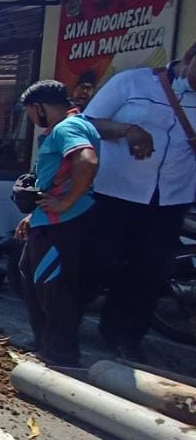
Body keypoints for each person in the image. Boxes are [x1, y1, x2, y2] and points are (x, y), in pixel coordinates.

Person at [83, 41, 196, 361]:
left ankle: (125, 337)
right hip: (117, 193)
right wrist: (127, 129)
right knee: (100, 259)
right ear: (188, 58)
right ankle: (63, 323)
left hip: (172, 198)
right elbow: (88, 123)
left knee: (150, 271)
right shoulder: (131, 82)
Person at [16, 80, 100, 367]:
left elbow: (86, 160)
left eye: (30, 113)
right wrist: (33, 215)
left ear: (40, 107)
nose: (31, 120)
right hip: (50, 219)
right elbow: (55, 178)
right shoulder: (74, 124)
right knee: (31, 275)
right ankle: (44, 341)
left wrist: (65, 203)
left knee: (54, 286)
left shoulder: (68, 127)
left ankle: (59, 353)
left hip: (62, 222)